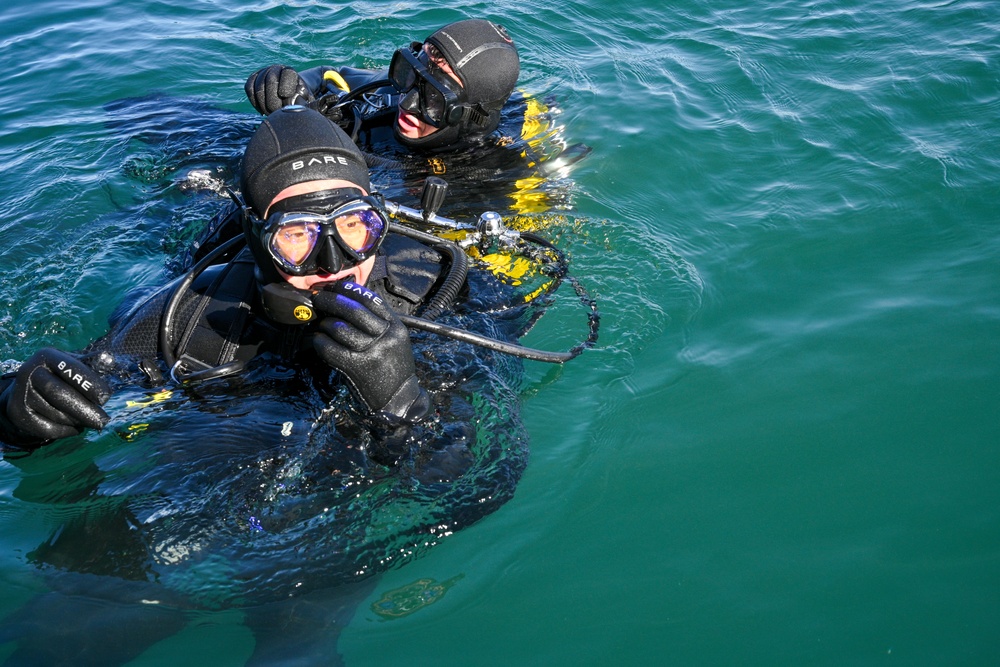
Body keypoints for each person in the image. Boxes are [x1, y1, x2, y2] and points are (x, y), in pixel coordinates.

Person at [0, 106, 545, 663]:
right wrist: (18, 412)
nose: (336, 265)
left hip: (330, 516)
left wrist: (400, 400)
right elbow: (83, 388)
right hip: (197, 474)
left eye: (357, 226)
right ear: (257, 235)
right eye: (299, 237)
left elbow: (478, 483)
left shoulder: (444, 297)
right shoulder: (186, 317)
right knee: (59, 636)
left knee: (295, 650)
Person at [245, 18, 521, 153]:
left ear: (472, 114)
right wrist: (282, 83)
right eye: (409, 76)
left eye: (434, 98)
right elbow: (328, 75)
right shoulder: (385, 92)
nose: (406, 103)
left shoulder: (494, 176)